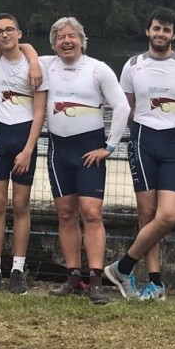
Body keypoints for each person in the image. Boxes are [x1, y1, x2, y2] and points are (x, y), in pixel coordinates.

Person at [105, 8, 175, 300]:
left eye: (167, 30)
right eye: (156, 28)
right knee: (147, 215)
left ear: (174, 35)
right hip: (143, 140)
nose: (161, 34)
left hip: (174, 143)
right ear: (148, 31)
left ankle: (123, 267)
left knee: (168, 215)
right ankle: (156, 282)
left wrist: (169, 128)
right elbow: (128, 108)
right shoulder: (133, 66)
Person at [39, 17, 130, 304]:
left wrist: (110, 146)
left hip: (89, 150)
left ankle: (95, 280)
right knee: (66, 214)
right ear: (54, 43)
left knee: (91, 213)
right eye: (60, 37)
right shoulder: (46, 66)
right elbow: (15, 54)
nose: (67, 41)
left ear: (81, 40)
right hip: (58, 150)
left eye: (72, 36)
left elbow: (122, 106)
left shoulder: (97, 69)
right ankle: (73, 276)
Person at [0, 13, 47, 295]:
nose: (5, 35)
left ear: (19, 33)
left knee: (20, 205)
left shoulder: (36, 67)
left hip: (24, 140)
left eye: (9, 30)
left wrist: (29, 150)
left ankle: (18, 267)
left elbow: (40, 112)